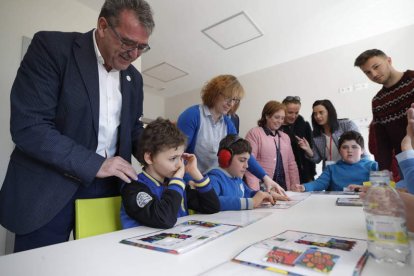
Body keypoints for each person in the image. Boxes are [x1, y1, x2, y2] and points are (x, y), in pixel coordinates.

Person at [0, 0, 155, 252]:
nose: (134, 54)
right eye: (127, 43)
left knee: (100, 263)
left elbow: (132, 129)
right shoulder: (51, 48)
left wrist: (162, 153)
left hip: (107, 190)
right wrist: (96, 164)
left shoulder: (134, 78)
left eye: (141, 47)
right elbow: (30, 125)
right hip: (49, 187)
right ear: (103, 26)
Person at [176, 75, 286, 196]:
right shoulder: (192, 115)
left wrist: (265, 178)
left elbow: (243, 153)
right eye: (228, 97)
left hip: (215, 182)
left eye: (235, 100)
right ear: (214, 93)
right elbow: (178, 155)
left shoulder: (228, 123)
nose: (231, 104)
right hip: (194, 182)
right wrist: (188, 182)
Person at [120, 118, 220, 229]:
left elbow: (212, 207)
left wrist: (195, 173)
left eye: (180, 157)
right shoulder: (133, 188)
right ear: (149, 157)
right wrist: (177, 182)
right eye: (173, 158)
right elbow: (164, 219)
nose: (179, 165)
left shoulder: (174, 185)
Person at [354, 49, 414, 173]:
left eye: (376, 67)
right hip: (405, 164)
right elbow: (382, 142)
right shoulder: (377, 101)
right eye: (367, 73)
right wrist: (384, 171)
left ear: (389, 60)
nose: (374, 74)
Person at [208, 135, 286, 210]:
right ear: (225, 158)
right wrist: (251, 202)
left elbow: (248, 194)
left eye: (247, 161)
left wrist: (265, 195)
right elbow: (212, 201)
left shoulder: (237, 179)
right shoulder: (213, 179)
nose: (247, 166)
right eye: (242, 160)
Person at [292, 131, 378, 192]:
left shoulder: (373, 166)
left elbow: (385, 185)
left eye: (354, 147)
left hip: (365, 205)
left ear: (362, 150)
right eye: (345, 147)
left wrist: (362, 187)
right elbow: (319, 183)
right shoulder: (331, 168)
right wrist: (304, 187)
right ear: (339, 151)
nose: (349, 150)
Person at [245, 101, 300, 191]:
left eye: (282, 118)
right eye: (277, 117)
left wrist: (295, 186)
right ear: (267, 116)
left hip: (283, 188)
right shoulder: (254, 133)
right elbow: (249, 162)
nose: (280, 121)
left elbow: (291, 165)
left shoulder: (285, 137)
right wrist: (255, 191)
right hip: (263, 187)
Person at [297, 99, 363, 170]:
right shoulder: (315, 134)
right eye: (315, 114)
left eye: (321, 112)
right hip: (331, 172)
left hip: (351, 169)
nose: (318, 116)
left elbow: (360, 147)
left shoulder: (346, 125)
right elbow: (317, 159)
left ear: (329, 112)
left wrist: (370, 178)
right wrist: (308, 150)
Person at [280, 96, 316, 183]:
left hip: (305, 175)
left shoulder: (304, 126)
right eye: (290, 112)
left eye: (296, 113)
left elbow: (312, 153)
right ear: (282, 110)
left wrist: (311, 175)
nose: (293, 116)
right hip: (284, 175)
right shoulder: (276, 128)